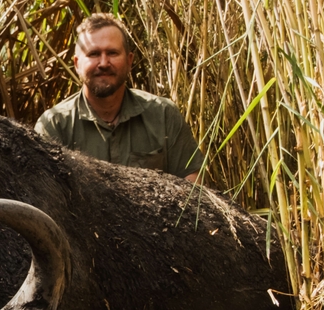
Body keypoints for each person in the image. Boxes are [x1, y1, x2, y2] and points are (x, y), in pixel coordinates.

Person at [36, 13, 202, 183]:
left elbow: (193, 185)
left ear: (129, 61)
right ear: (77, 64)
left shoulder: (164, 115)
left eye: (112, 53)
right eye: (93, 54)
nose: (103, 63)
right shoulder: (54, 126)